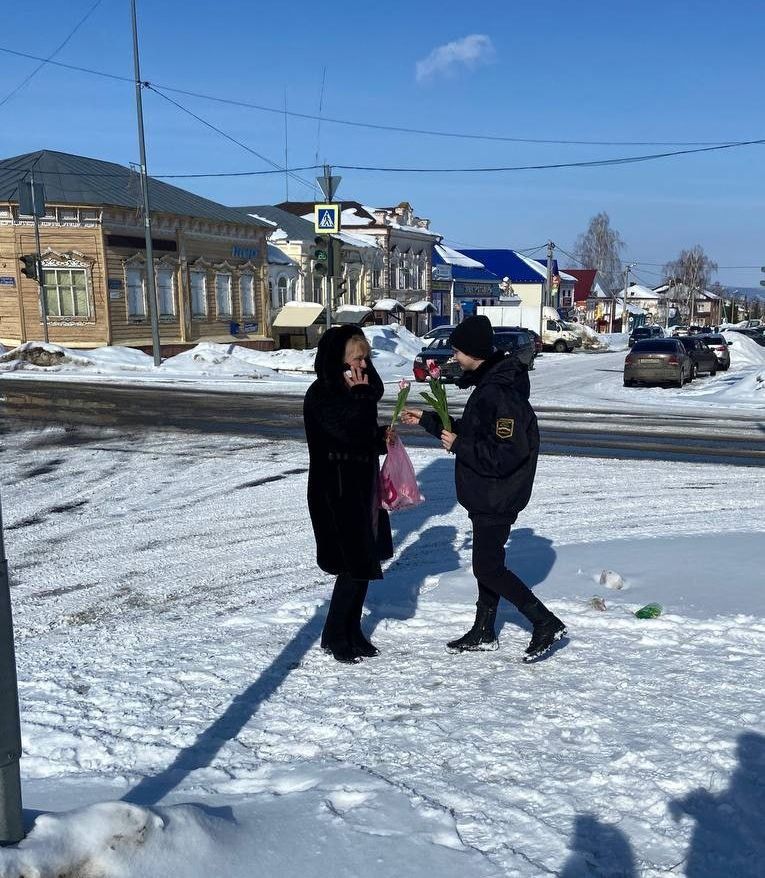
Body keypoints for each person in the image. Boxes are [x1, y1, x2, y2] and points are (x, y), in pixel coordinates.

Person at [401, 315, 566, 662]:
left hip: (497, 493)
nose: (455, 358)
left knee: (487, 567)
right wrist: (429, 421)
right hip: (486, 492)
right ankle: (484, 629)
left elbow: (506, 452)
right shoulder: (490, 384)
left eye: (458, 351)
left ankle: (545, 622)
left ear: (473, 352)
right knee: (488, 562)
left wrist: (461, 446)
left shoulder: (500, 392)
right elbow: (477, 432)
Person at [303, 325, 394, 664]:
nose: (363, 365)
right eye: (356, 358)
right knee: (350, 565)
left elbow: (364, 435)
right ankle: (334, 635)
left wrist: (382, 437)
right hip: (335, 491)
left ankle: (352, 631)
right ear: (338, 359)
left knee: (364, 563)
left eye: (366, 358)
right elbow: (347, 434)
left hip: (362, 488)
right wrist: (362, 399)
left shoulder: (357, 389)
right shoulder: (323, 393)